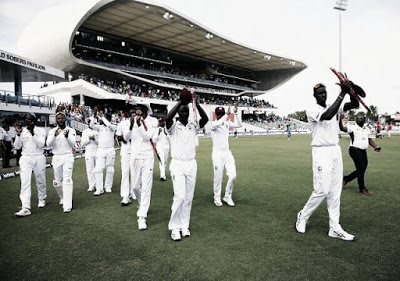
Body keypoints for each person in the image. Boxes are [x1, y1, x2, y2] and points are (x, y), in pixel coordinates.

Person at [295, 81, 359, 241]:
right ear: (314, 96)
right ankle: (303, 215)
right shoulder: (311, 110)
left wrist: (351, 90)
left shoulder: (334, 104)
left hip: (335, 150)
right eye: (320, 93)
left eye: (324, 92)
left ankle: (334, 227)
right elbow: (328, 115)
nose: (323, 95)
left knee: (335, 191)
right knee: (322, 190)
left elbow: (355, 104)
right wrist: (342, 92)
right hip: (321, 151)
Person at [166, 91, 208, 241]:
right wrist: (181, 101)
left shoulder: (193, 125)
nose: (184, 113)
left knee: (188, 198)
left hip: (191, 164)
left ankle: (184, 225)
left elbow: (206, 118)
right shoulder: (172, 126)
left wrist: (195, 102)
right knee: (180, 196)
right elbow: (168, 117)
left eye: (186, 111)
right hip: (177, 164)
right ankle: (174, 227)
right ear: (178, 112)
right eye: (181, 111)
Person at [123, 103, 158, 230]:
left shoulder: (152, 121)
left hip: (147, 157)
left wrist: (138, 125)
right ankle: (142, 203)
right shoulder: (131, 121)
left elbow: (147, 136)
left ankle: (142, 216)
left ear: (145, 110)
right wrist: (132, 125)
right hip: (135, 157)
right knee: (135, 186)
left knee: (147, 187)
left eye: (139, 109)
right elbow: (126, 138)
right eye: (136, 108)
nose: (137, 111)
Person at [13, 113, 47, 217]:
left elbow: (41, 144)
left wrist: (32, 133)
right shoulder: (22, 132)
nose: (28, 121)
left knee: (40, 180)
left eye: (30, 119)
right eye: (26, 119)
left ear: (35, 120)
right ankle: (25, 207)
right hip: (26, 158)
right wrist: (18, 134)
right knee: (25, 182)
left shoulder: (41, 131)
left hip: (38, 157)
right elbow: (17, 146)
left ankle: (42, 198)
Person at [340, 113, 381, 195]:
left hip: (363, 151)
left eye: (361, 118)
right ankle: (362, 188)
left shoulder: (367, 129)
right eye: (358, 118)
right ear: (356, 120)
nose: (359, 119)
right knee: (361, 169)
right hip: (354, 150)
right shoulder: (352, 127)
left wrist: (375, 146)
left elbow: (369, 140)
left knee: (361, 169)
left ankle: (346, 179)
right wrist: (340, 119)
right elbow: (342, 128)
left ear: (364, 119)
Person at [209, 105, 242, 207]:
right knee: (218, 177)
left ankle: (227, 196)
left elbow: (239, 125)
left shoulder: (226, 123)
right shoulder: (213, 124)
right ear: (215, 114)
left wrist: (235, 114)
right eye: (218, 114)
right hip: (217, 154)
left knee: (233, 175)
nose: (219, 115)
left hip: (227, 153)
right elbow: (218, 123)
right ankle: (217, 197)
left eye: (221, 114)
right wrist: (226, 115)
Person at [46, 112, 77, 213]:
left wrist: (67, 137)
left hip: (67, 156)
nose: (60, 120)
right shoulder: (52, 131)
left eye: (62, 118)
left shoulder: (71, 130)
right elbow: (48, 144)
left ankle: (67, 205)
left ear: (65, 119)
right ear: (56, 120)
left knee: (67, 179)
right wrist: (54, 135)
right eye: (58, 119)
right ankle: (63, 197)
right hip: (57, 157)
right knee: (57, 182)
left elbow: (72, 144)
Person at [90, 110, 117, 195]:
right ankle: (99, 189)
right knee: (98, 169)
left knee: (110, 169)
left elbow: (108, 124)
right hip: (101, 150)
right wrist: (94, 117)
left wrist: (102, 117)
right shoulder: (100, 127)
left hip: (110, 150)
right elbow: (91, 125)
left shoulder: (113, 126)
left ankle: (108, 187)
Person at [116, 109, 135, 205]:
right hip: (126, 151)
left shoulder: (140, 123)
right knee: (125, 173)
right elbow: (118, 136)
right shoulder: (122, 123)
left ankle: (133, 192)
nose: (133, 113)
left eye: (134, 112)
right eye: (131, 112)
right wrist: (124, 139)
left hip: (136, 151)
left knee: (135, 173)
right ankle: (125, 196)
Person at [81, 119, 98, 192]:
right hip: (88, 152)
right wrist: (89, 138)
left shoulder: (97, 131)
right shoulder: (85, 132)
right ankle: (91, 185)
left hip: (97, 151)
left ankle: (98, 185)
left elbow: (100, 142)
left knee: (97, 169)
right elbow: (83, 143)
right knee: (90, 169)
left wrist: (94, 139)